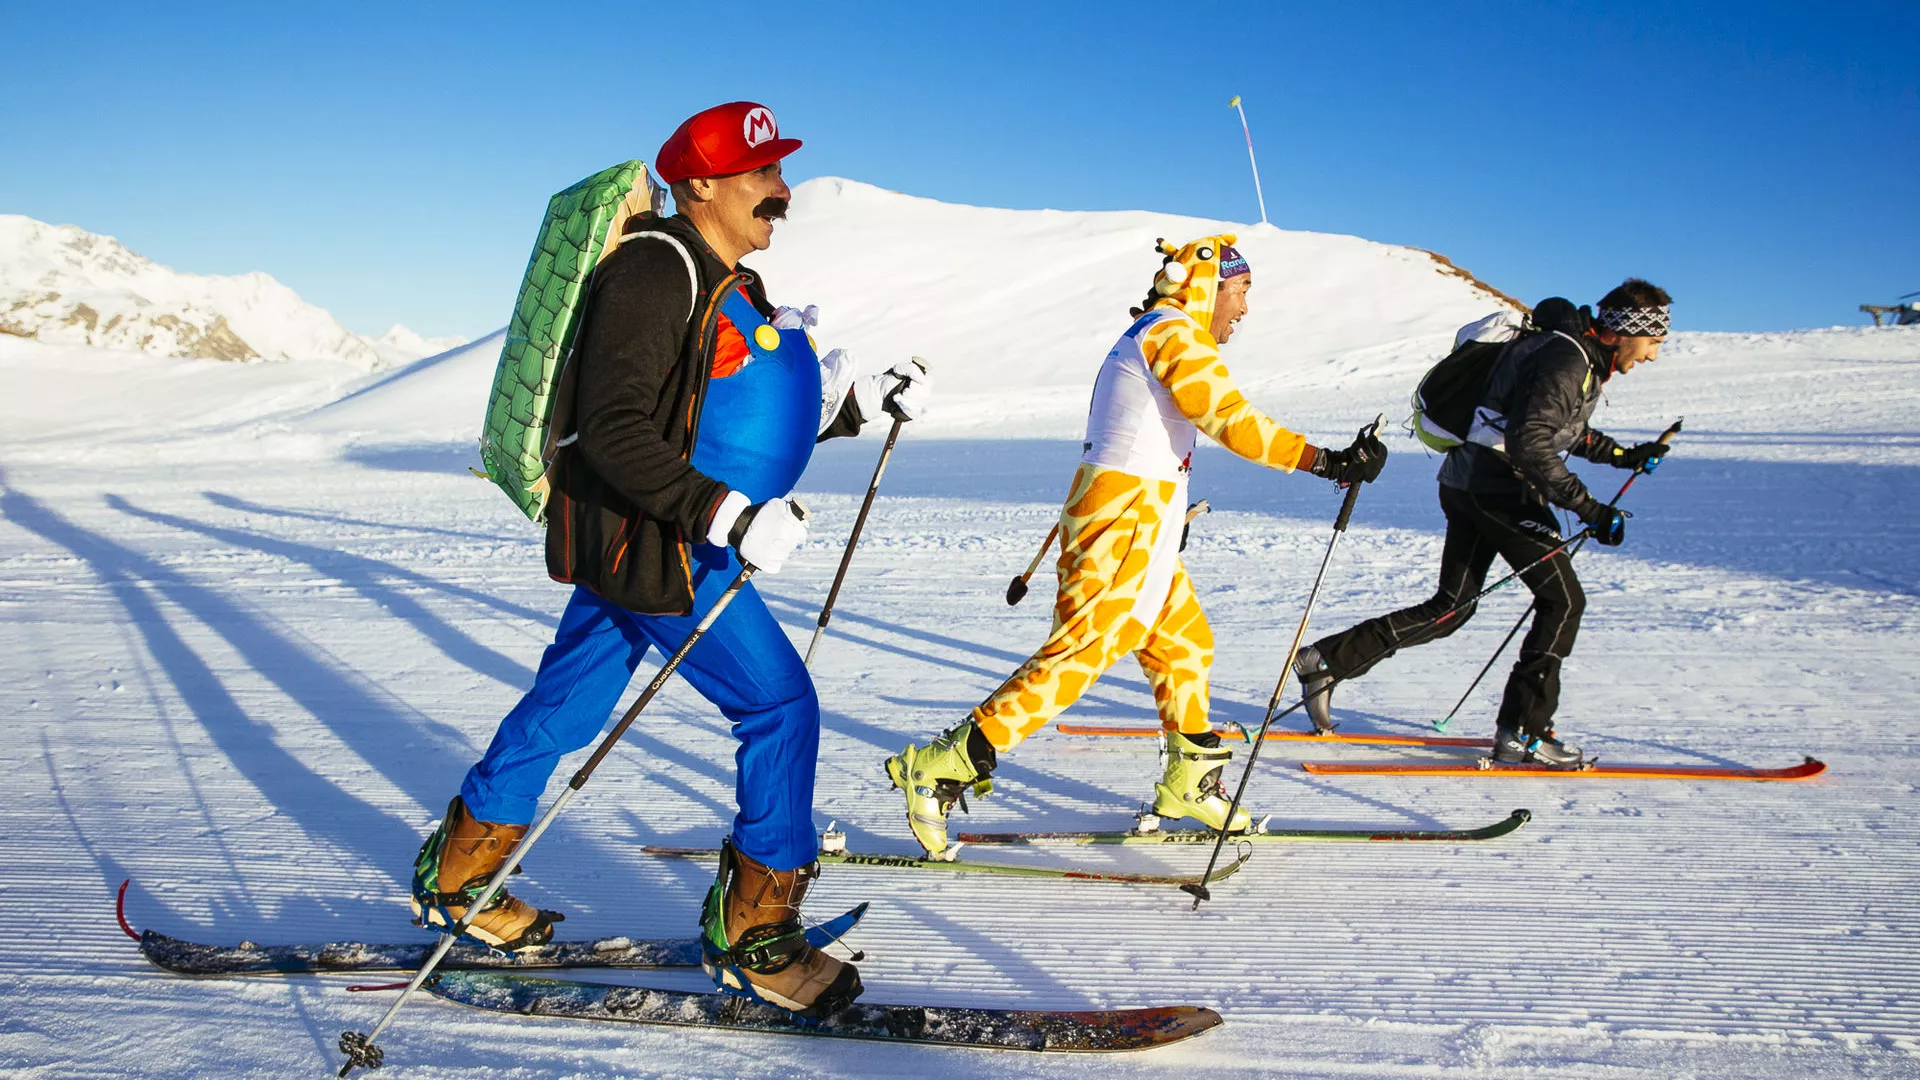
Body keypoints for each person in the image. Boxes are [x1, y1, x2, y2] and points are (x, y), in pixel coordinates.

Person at [408, 101, 929, 1019]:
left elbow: (717, 412)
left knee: (566, 704)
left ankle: (459, 877)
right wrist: (726, 514)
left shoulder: (721, 275)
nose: (782, 191)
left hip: (656, 535)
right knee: (778, 705)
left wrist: (856, 410)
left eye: (779, 171)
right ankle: (756, 936)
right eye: (762, 174)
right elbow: (613, 427)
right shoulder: (656, 270)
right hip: (668, 546)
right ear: (702, 186)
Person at [884, 235, 1386, 857]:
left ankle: (1190, 783)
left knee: (1183, 643)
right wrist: (1326, 460)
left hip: (1139, 516)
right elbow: (1229, 418)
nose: (1244, 308)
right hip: (1124, 518)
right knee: (1084, 650)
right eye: (1241, 291)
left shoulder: (1161, 331)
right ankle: (941, 767)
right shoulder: (1174, 333)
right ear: (1206, 286)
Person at [1295, 279, 1674, 766]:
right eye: (1653, 342)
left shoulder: (1572, 356)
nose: (1652, 355)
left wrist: (1624, 456)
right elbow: (1530, 442)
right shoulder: (1568, 359)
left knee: (1452, 607)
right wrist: (1590, 509)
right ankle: (1523, 732)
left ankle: (1327, 660)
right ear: (1625, 331)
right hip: (1499, 490)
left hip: (1469, 482)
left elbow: (1560, 429)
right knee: (1562, 602)